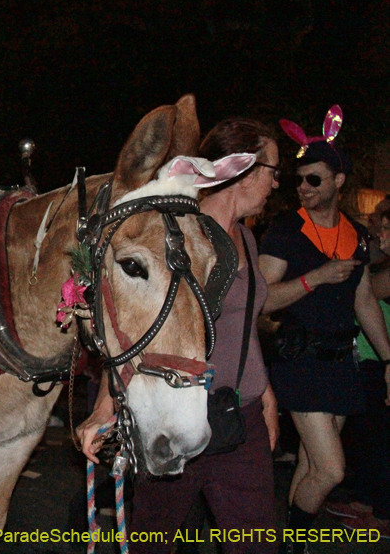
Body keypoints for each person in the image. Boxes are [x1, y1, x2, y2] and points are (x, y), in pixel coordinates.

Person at [76, 118, 282, 554]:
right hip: (175, 416)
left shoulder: (247, 239)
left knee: (257, 542)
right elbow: (137, 324)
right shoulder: (179, 236)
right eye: (273, 171)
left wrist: (264, 394)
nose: (277, 183)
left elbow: (244, 324)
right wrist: (104, 408)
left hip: (240, 418)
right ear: (242, 170)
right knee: (153, 540)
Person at [258, 106, 390, 554]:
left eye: (314, 179)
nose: (303, 187)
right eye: (298, 180)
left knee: (312, 465)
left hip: (340, 363)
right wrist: (315, 278)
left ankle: (295, 542)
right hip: (300, 361)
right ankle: (293, 544)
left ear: (338, 181)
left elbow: (364, 301)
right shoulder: (286, 230)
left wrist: (388, 358)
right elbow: (262, 299)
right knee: (332, 470)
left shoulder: (356, 235)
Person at [324, 207, 390, 538]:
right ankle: (369, 500)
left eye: (386, 227)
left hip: (379, 361)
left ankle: (382, 514)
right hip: (372, 358)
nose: (380, 233)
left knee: (380, 439)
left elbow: (365, 293)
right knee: (371, 436)